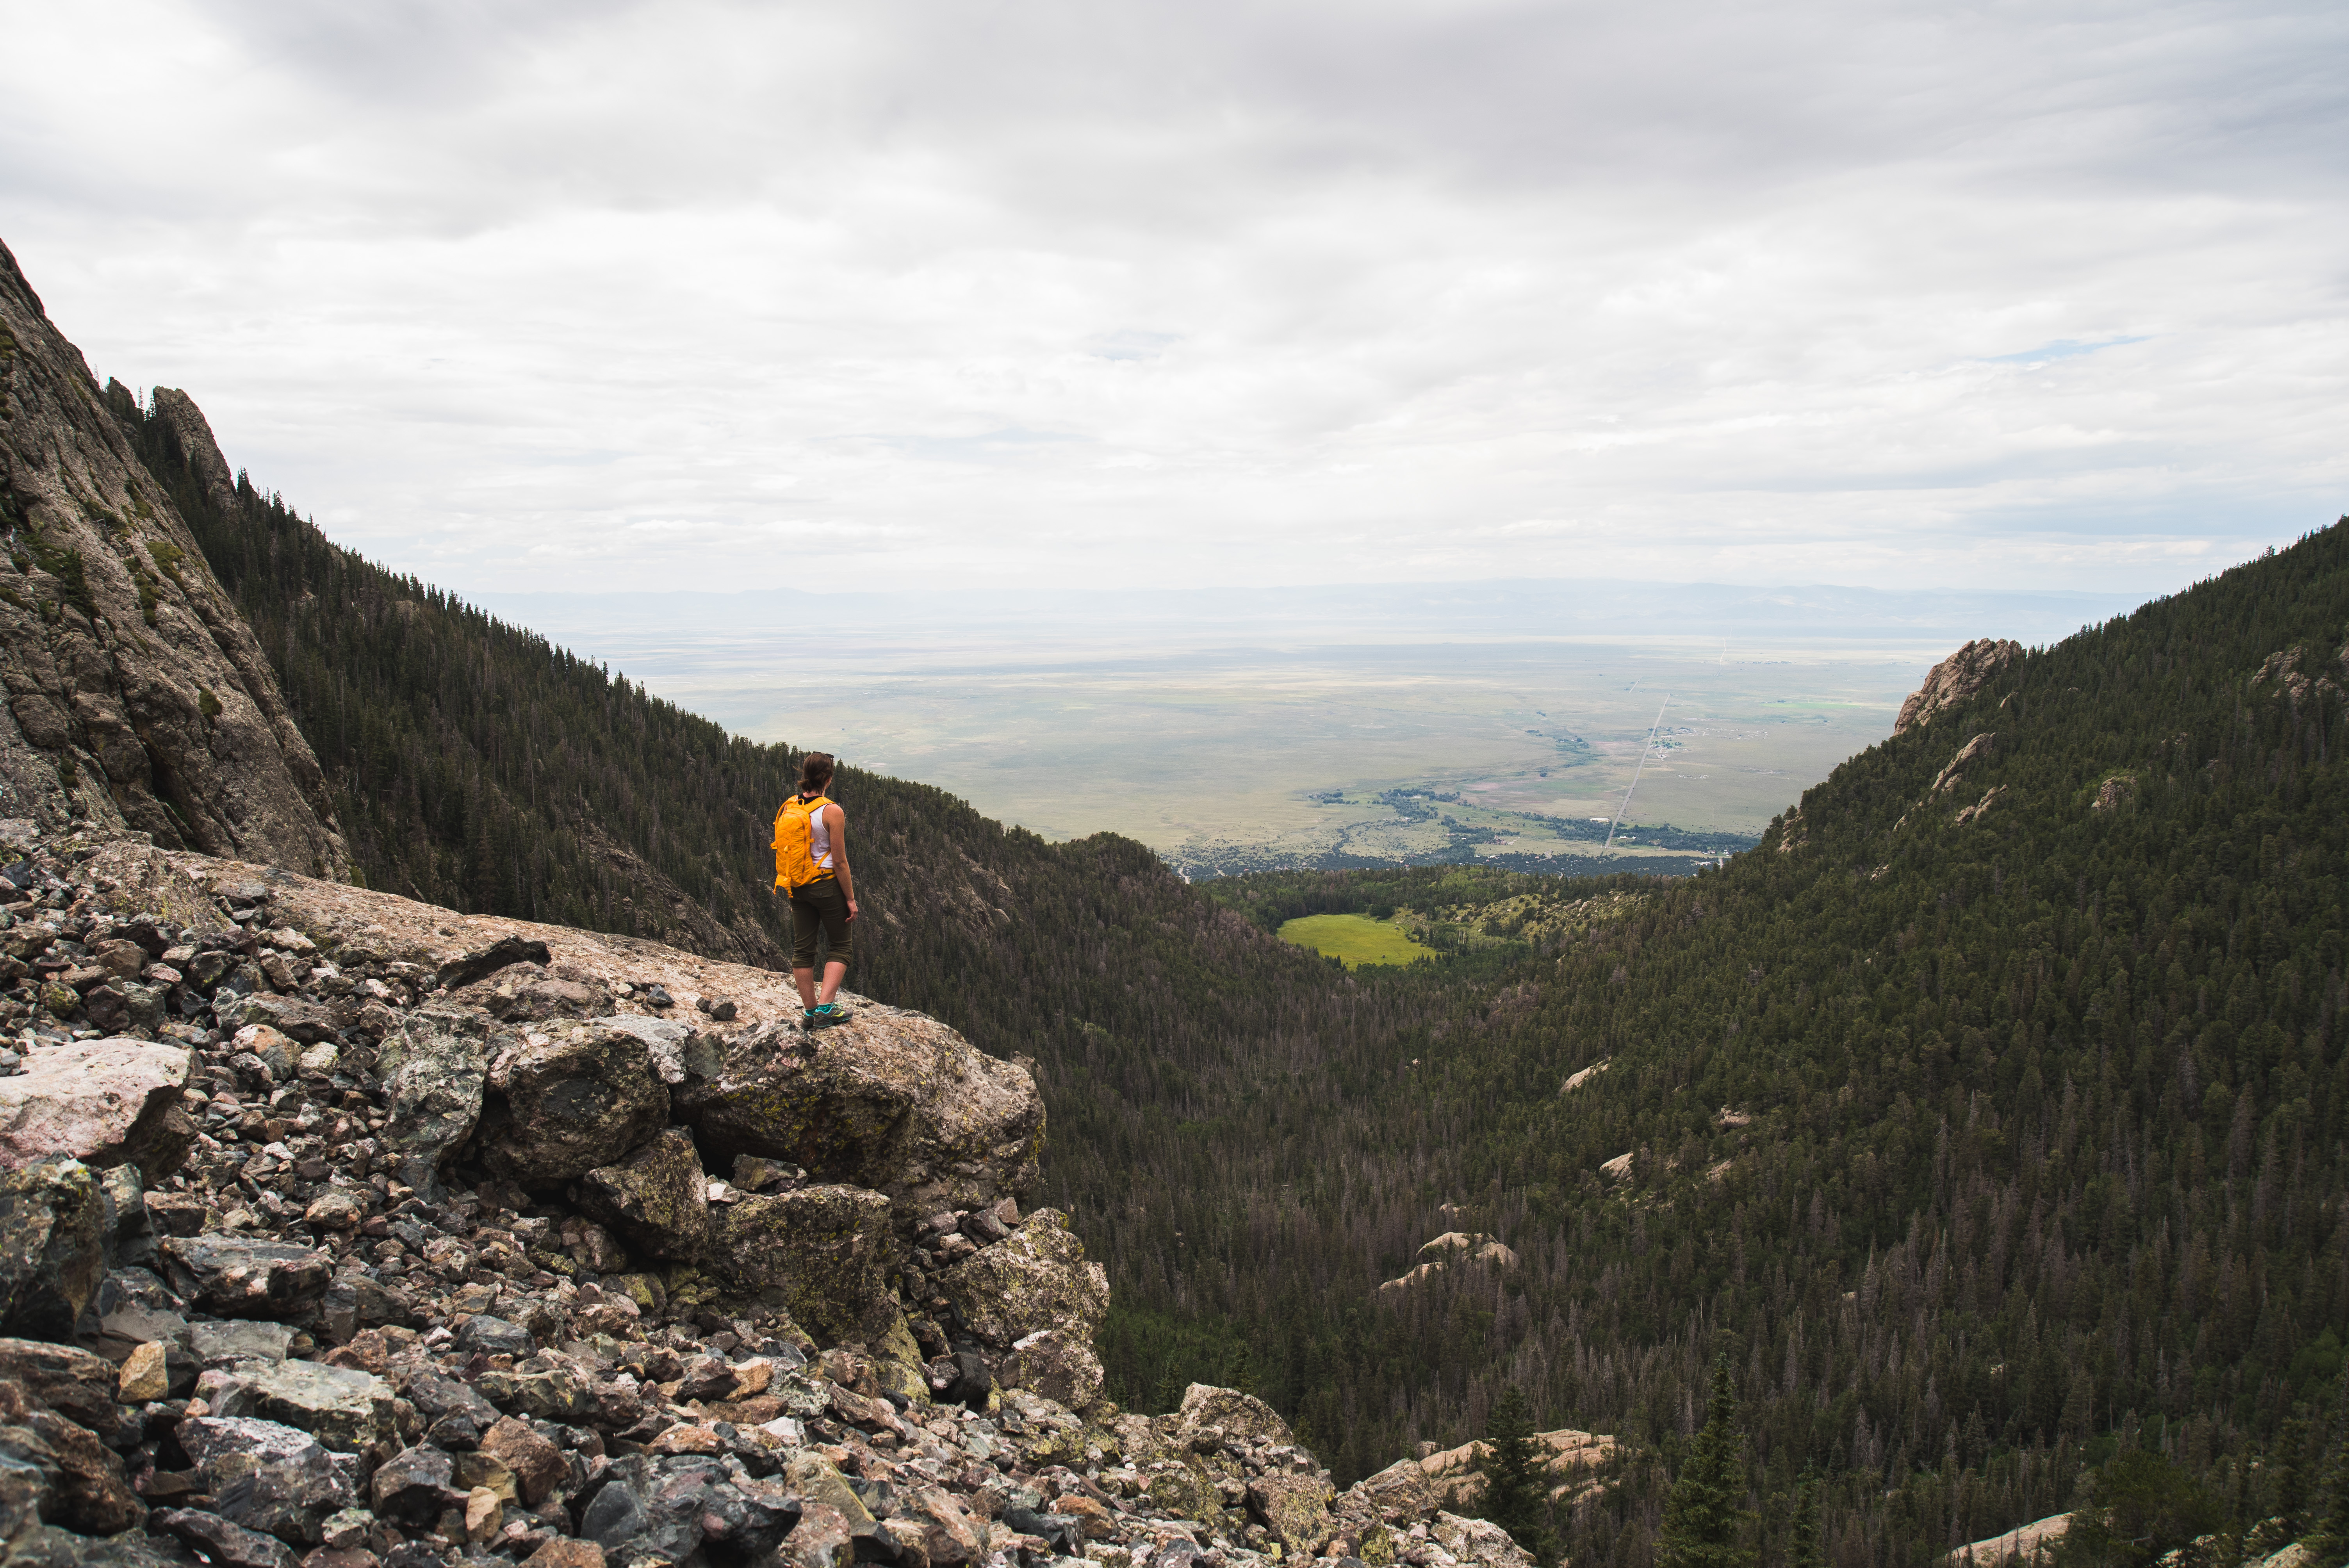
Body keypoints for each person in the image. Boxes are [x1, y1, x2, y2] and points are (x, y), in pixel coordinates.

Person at [773, 752, 859, 1026]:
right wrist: (851, 899)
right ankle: (825, 1009)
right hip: (825, 884)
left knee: (803, 948)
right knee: (841, 946)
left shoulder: (790, 807)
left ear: (805, 776)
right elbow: (841, 862)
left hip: (797, 885)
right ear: (829, 779)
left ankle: (810, 1013)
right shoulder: (832, 811)